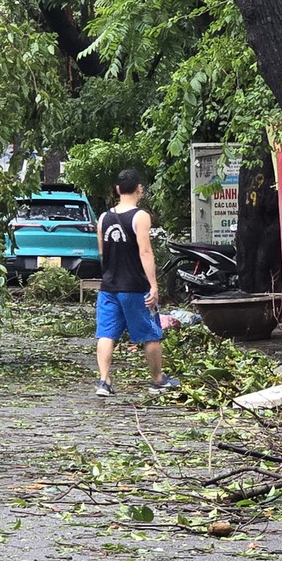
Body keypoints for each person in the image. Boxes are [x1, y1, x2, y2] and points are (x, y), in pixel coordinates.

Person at [94, 168, 178, 397]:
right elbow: (145, 251)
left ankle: (104, 381)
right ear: (139, 189)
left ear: (118, 189)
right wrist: (154, 285)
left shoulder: (103, 218)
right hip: (135, 287)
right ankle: (158, 380)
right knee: (151, 334)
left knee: (106, 334)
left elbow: (102, 252)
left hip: (109, 286)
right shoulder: (140, 216)